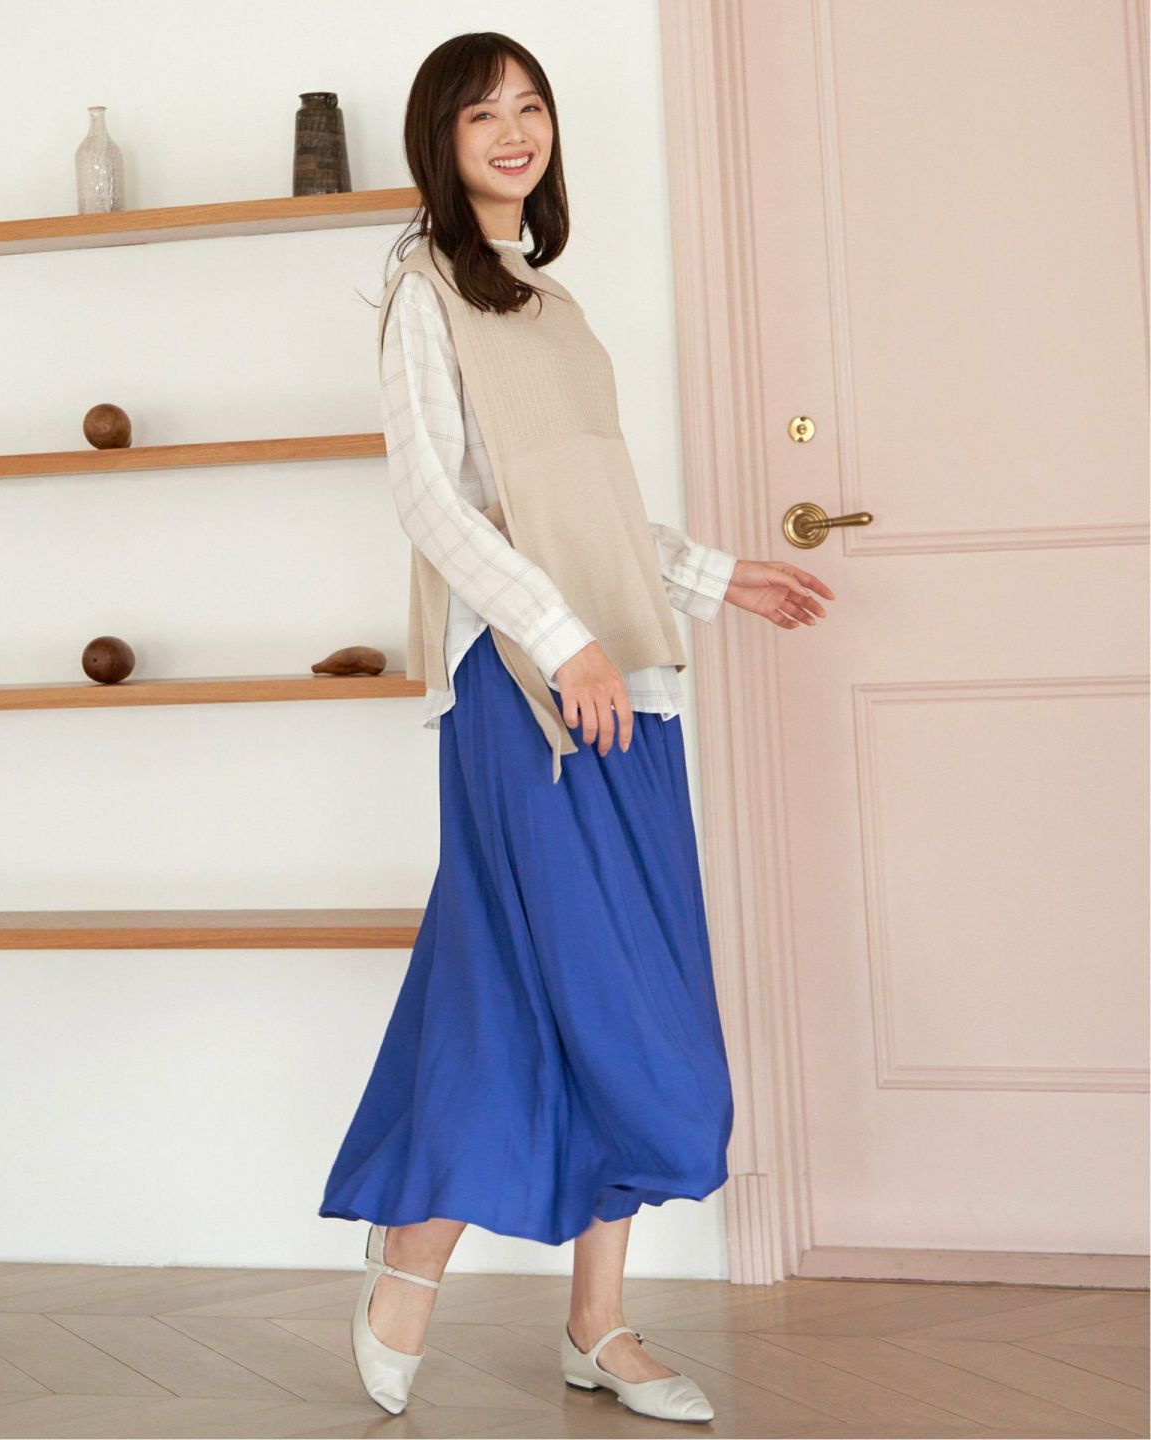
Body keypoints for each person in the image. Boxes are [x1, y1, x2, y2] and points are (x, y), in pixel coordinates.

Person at [318, 32, 835, 1425]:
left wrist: (718, 576)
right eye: (483, 111)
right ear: (441, 139)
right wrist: (562, 641)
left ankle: (596, 1322)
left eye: (531, 105)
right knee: (534, 982)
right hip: (525, 690)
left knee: (634, 992)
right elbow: (435, 503)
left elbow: (590, 513)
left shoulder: (554, 305)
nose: (515, 129)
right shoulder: (419, 293)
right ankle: (414, 1257)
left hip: (626, 678)